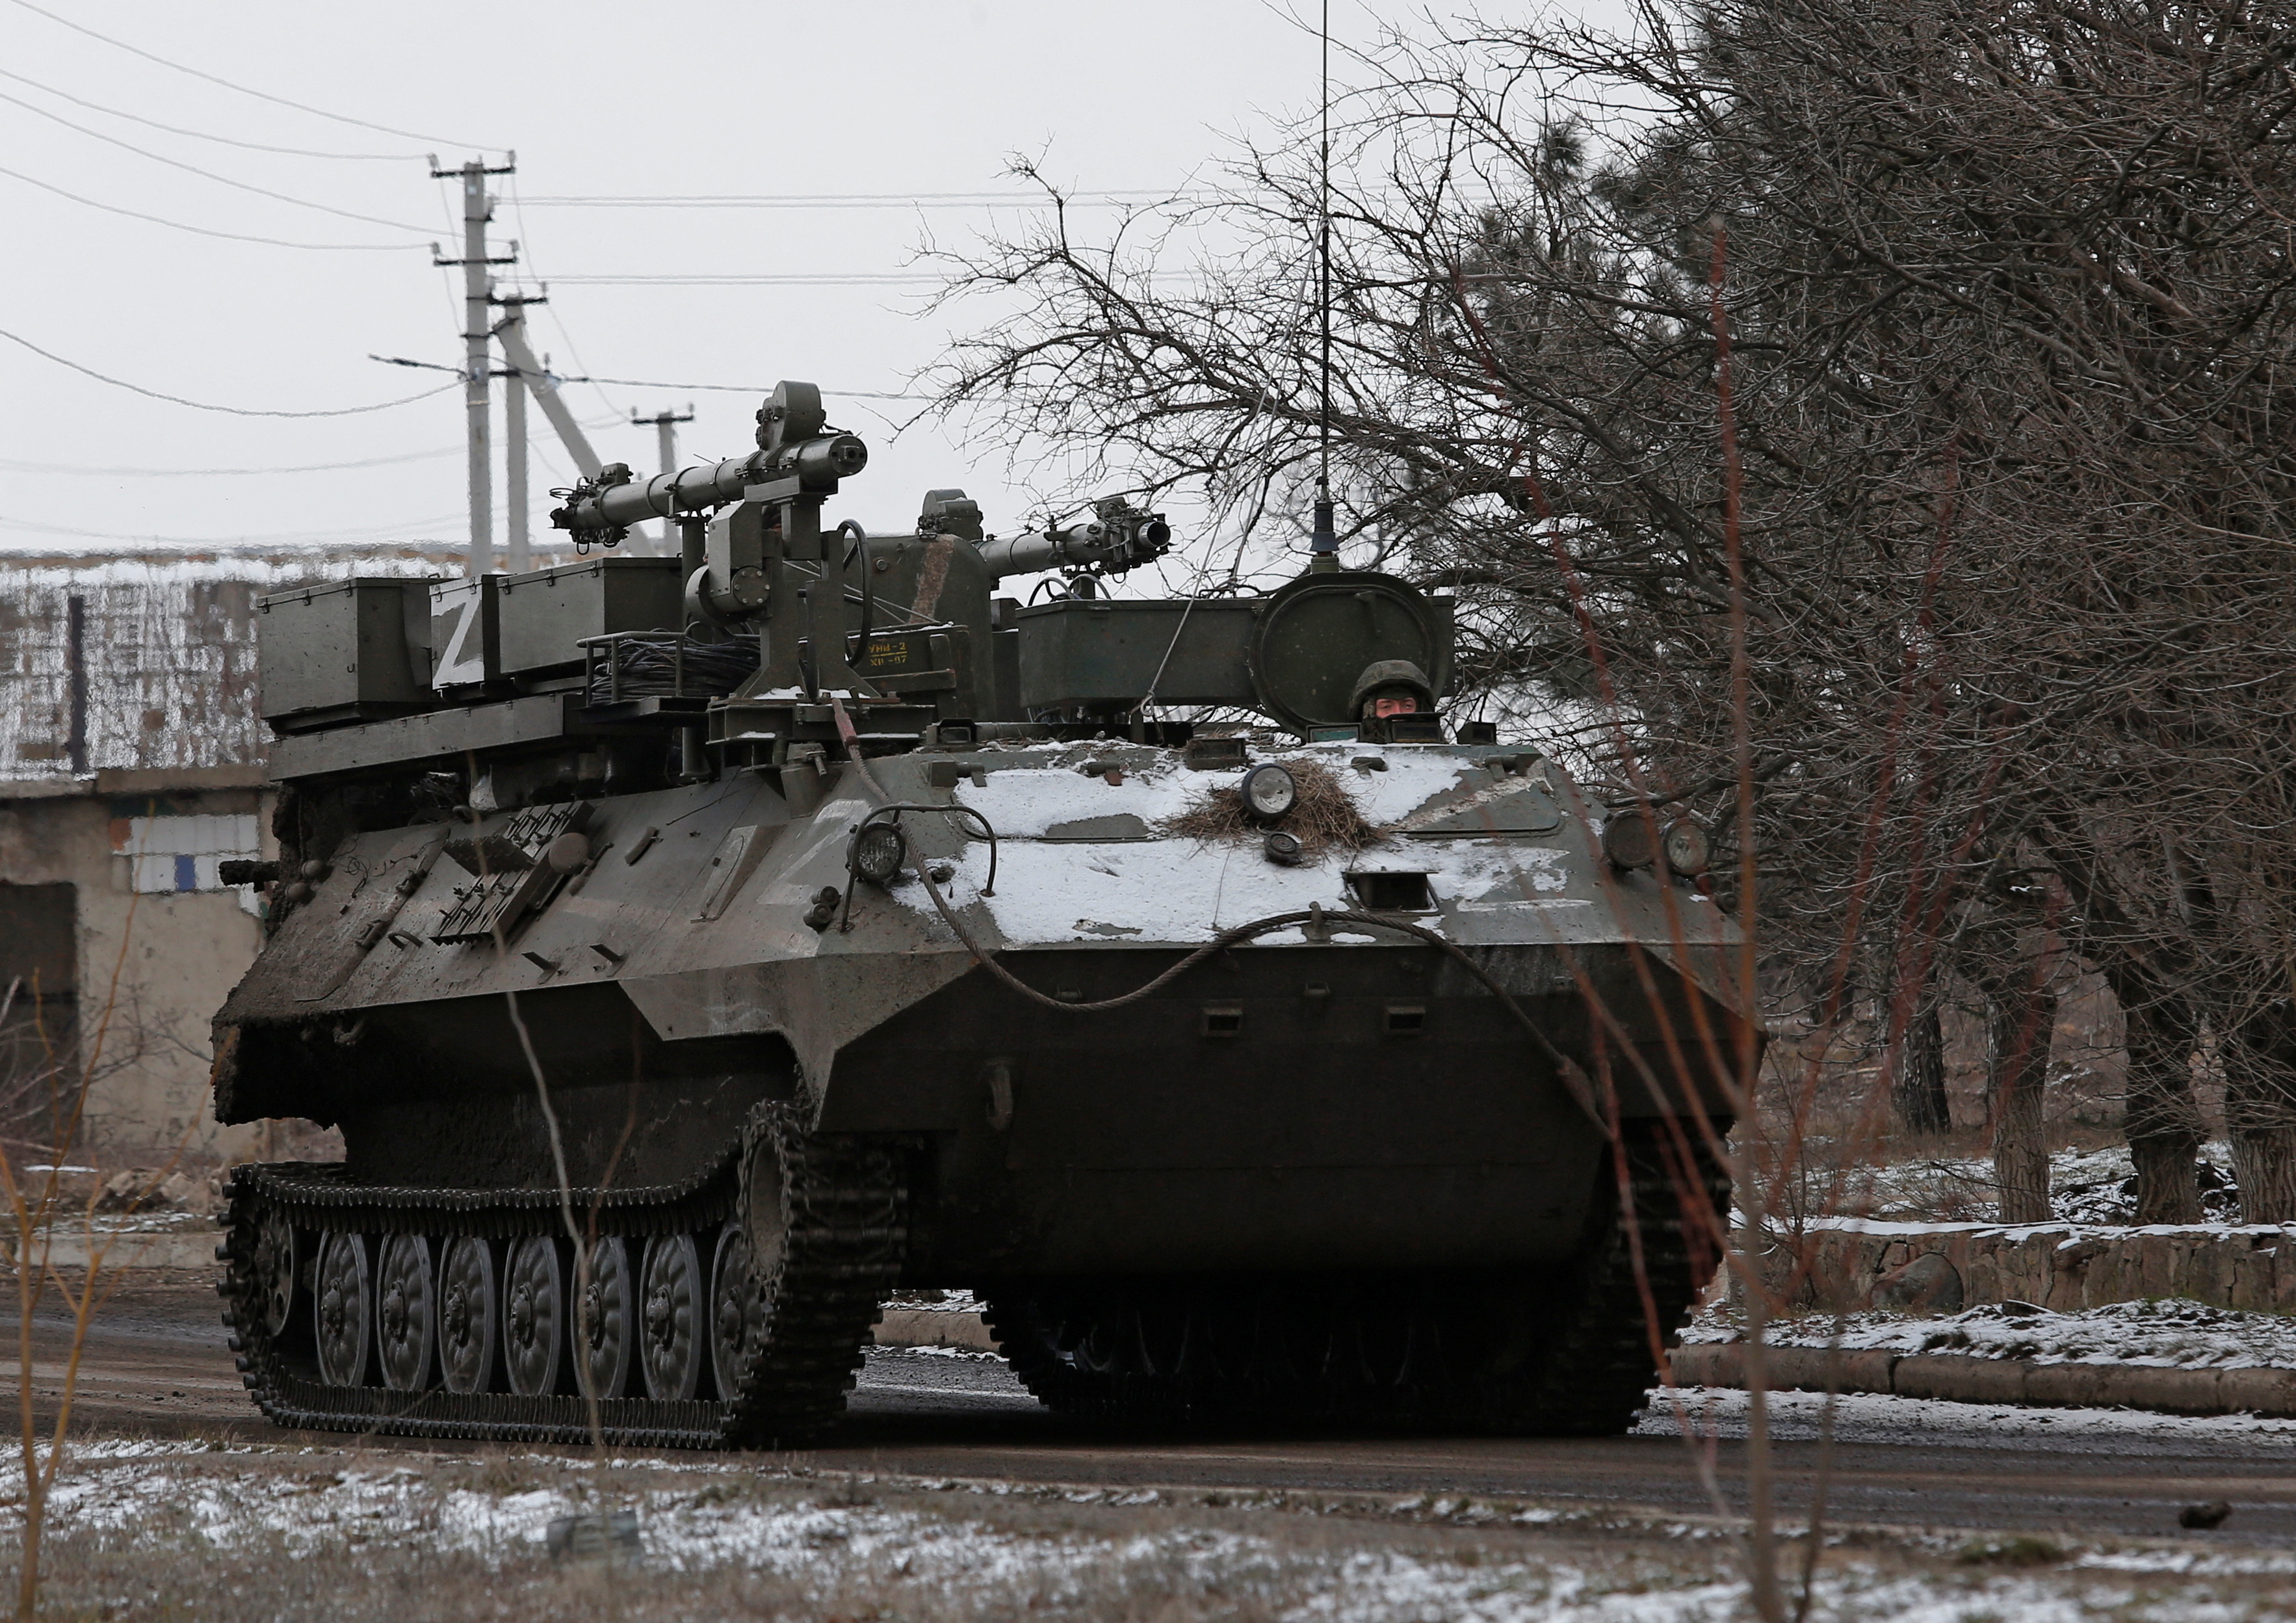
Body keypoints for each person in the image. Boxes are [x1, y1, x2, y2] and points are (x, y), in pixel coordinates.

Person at [1348, 659, 1439, 741]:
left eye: (1407, 706)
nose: (1398, 714)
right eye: (1386, 707)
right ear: (1368, 712)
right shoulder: (1346, 753)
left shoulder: (1444, 755)